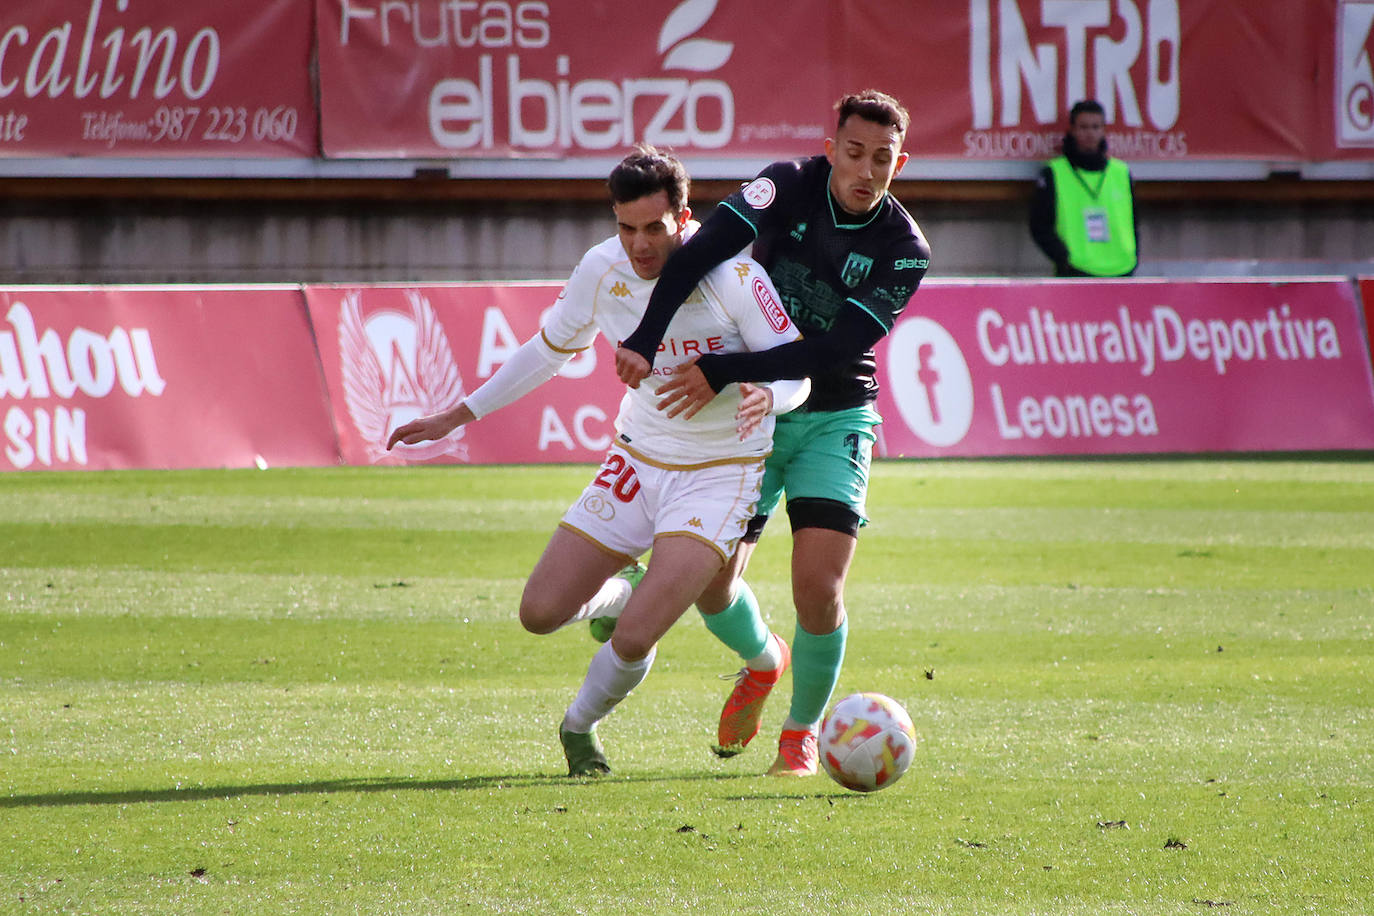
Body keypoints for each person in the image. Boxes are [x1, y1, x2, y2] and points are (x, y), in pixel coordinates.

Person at [386, 147, 809, 777]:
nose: (638, 245)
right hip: (637, 460)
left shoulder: (734, 278)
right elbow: (547, 351)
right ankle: (623, 591)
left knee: (637, 635)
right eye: (625, 227)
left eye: (654, 229)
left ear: (684, 218)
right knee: (539, 614)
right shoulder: (601, 269)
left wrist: (764, 393)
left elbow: (795, 369)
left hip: (721, 474)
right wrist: (457, 414)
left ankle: (578, 728)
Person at [614, 90, 932, 777]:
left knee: (818, 588)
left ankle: (802, 734)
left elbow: (833, 350)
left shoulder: (904, 250)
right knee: (711, 587)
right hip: (744, 410)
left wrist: (724, 368)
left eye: (882, 160)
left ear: (898, 163)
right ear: (831, 149)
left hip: (834, 412)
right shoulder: (785, 185)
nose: (865, 172)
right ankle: (764, 662)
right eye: (853, 154)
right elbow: (696, 255)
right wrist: (646, 335)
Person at [1029, 99, 1138, 277]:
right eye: (1084, 127)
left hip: (1121, 268)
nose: (1090, 134)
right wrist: (1063, 258)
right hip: (1076, 269)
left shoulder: (1121, 172)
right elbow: (1040, 225)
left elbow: (1133, 222)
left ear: (1104, 130)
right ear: (1072, 130)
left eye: (1096, 127)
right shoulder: (1055, 172)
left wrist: (1132, 256)